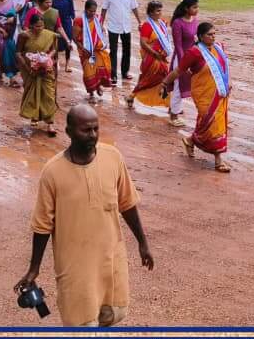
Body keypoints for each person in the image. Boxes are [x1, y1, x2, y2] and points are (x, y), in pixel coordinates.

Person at [17, 103, 154, 326]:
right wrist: (34, 269)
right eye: (86, 130)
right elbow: (42, 226)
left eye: (96, 129)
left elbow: (127, 204)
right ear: (69, 132)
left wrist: (143, 243)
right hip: (75, 267)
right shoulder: (52, 172)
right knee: (81, 324)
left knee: (114, 314)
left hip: (111, 259)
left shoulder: (113, 157)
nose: (92, 135)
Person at [162, 21, 231, 172]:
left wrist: (228, 84)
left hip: (219, 93)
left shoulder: (219, 48)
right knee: (210, 122)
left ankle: (190, 141)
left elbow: (224, 68)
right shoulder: (194, 52)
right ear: (200, 36)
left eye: (214, 34)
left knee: (211, 123)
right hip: (203, 93)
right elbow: (179, 70)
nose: (213, 37)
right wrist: (165, 82)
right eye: (209, 35)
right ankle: (218, 160)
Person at [17, 7, 61, 134]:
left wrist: (47, 57)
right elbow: (18, 53)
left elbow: (54, 49)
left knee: (49, 95)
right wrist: (28, 67)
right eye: (37, 26)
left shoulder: (49, 35)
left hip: (46, 69)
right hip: (30, 69)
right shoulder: (24, 35)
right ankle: (34, 116)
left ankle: (50, 123)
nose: (40, 29)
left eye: (42, 26)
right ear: (31, 25)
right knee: (33, 93)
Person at [128, 0, 172, 114]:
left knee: (165, 78)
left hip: (162, 58)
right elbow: (143, 43)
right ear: (151, 12)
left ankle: (170, 104)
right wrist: (154, 53)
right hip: (152, 58)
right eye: (158, 11)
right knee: (147, 80)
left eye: (161, 10)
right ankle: (131, 96)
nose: (160, 13)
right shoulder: (147, 26)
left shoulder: (163, 23)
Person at [167, 0, 200, 127]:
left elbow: (196, 40)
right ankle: (173, 116)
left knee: (186, 85)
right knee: (178, 86)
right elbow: (178, 45)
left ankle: (174, 108)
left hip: (191, 57)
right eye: (194, 7)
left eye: (197, 7)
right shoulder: (177, 23)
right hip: (181, 58)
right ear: (186, 8)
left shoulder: (195, 20)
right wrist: (183, 63)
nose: (197, 10)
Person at [74, 0, 113, 103]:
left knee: (100, 69)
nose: (92, 13)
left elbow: (99, 30)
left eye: (94, 11)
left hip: (97, 49)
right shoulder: (79, 20)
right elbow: (75, 37)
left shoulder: (98, 18)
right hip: (85, 51)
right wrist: (83, 48)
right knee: (88, 71)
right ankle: (91, 93)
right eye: (90, 11)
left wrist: (103, 32)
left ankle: (98, 86)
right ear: (85, 9)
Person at [101, 0, 140, 83]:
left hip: (126, 27)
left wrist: (140, 22)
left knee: (127, 50)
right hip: (113, 27)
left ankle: (125, 72)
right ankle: (113, 75)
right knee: (113, 51)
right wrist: (100, 24)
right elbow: (104, 10)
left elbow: (134, 8)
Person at [50, 0, 76, 73]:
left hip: (67, 22)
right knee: (55, 43)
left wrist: (74, 22)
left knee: (68, 42)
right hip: (55, 23)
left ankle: (67, 64)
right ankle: (56, 62)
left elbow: (72, 11)